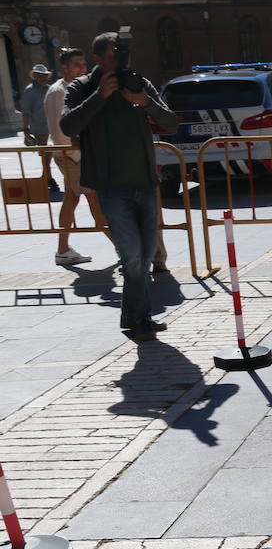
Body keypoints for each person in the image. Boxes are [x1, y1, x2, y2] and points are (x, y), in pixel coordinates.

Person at [60, 31, 178, 341]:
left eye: (125, 53)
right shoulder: (83, 87)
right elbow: (68, 125)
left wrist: (144, 101)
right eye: (115, 55)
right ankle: (141, 322)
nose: (122, 60)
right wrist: (98, 96)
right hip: (112, 187)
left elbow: (172, 122)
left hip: (145, 182)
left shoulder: (138, 83)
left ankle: (134, 318)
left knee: (146, 253)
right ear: (98, 59)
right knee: (132, 256)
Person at [46, 48, 113, 266]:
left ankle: (63, 249)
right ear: (64, 67)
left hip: (72, 155)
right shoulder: (59, 91)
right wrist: (78, 156)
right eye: (77, 64)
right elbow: (60, 130)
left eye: (84, 64)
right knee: (95, 201)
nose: (82, 68)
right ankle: (124, 247)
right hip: (72, 156)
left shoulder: (72, 88)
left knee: (71, 199)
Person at [19, 63, 59, 192]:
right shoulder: (29, 91)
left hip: (51, 125)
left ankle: (45, 176)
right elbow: (25, 111)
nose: (42, 77)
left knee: (48, 154)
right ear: (34, 76)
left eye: (44, 75)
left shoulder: (49, 89)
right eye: (39, 75)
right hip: (38, 127)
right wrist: (26, 129)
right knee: (45, 153)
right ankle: (49, 177)